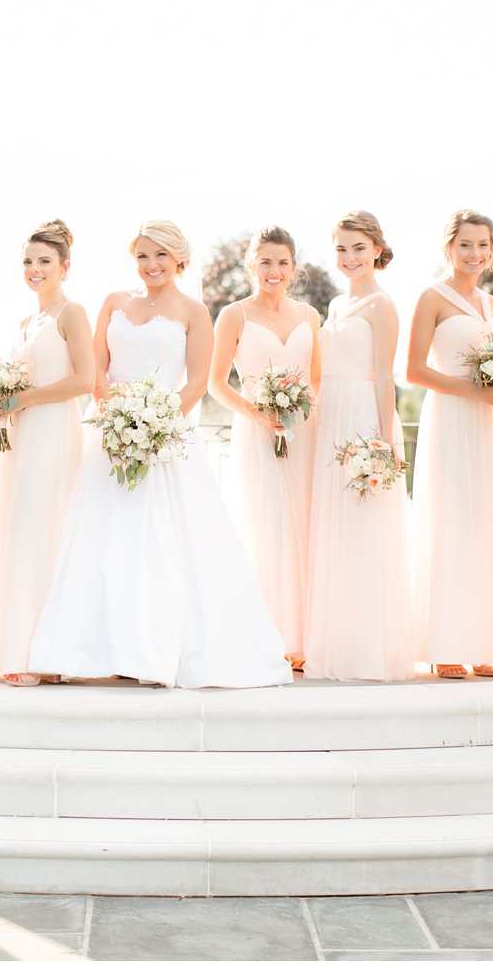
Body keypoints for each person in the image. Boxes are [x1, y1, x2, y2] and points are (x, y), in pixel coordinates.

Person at [27, 220, 291, 689]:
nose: (150, 265)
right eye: (142, 257)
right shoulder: (114, 302)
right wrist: (117, 416)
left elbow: (194, 383)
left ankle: (155, 650)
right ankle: (94, 650)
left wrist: (156, 425)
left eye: (160, 256)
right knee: (103, 540)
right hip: (109, 436)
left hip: (166, 437)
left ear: (178, 260)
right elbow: (97, 370)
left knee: (163, 543)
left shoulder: (194, 311)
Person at [302, 212, 414, 680]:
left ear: (376, 249)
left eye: (358, 248)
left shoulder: (383, 304)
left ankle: (368, 649)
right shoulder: (334, 306)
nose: (349, 258)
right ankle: (335, 642)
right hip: (331, 413)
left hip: (363, 414)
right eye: (342, 249)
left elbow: (386, 374)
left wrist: (385, 438)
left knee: (365, 528)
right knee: (334, 528)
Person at [406, 209, 493, 679]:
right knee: (452, 521)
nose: (475, 253)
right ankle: (445, 643)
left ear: (492, 250)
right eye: (466, 244)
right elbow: (413, 371)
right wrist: (475, 390)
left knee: (490, 524)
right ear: (449, 247)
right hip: (452, 418)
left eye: (483, 245)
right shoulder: (431, 297)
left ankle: (484, 641)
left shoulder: (492, 305)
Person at [208, 226, 321, 668]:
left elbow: (316, 380)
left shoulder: (311, 316)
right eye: (265, 262)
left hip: (303, 432)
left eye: (282, 262)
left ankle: (302, 639)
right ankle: (265, 636)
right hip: (257, 433)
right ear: (251, 265)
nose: (273, 271)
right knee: (266, 526)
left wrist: (299, 408)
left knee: (304, 527)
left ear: (293, 268)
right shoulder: (233, 316)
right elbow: (217, 384)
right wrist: (258, 413)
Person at [0, 219, 94, 685]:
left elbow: (84, 380)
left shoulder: (72, 313)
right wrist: (0, 401)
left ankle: (47, 655)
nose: (34, 269)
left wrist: (22, 399)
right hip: (23, 433)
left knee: (45, 528)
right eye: (28, 262)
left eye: (44, 262)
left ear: (65, 267)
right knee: (21, 530)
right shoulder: (26, 321)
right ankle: (25, 648)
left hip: (53, 428)